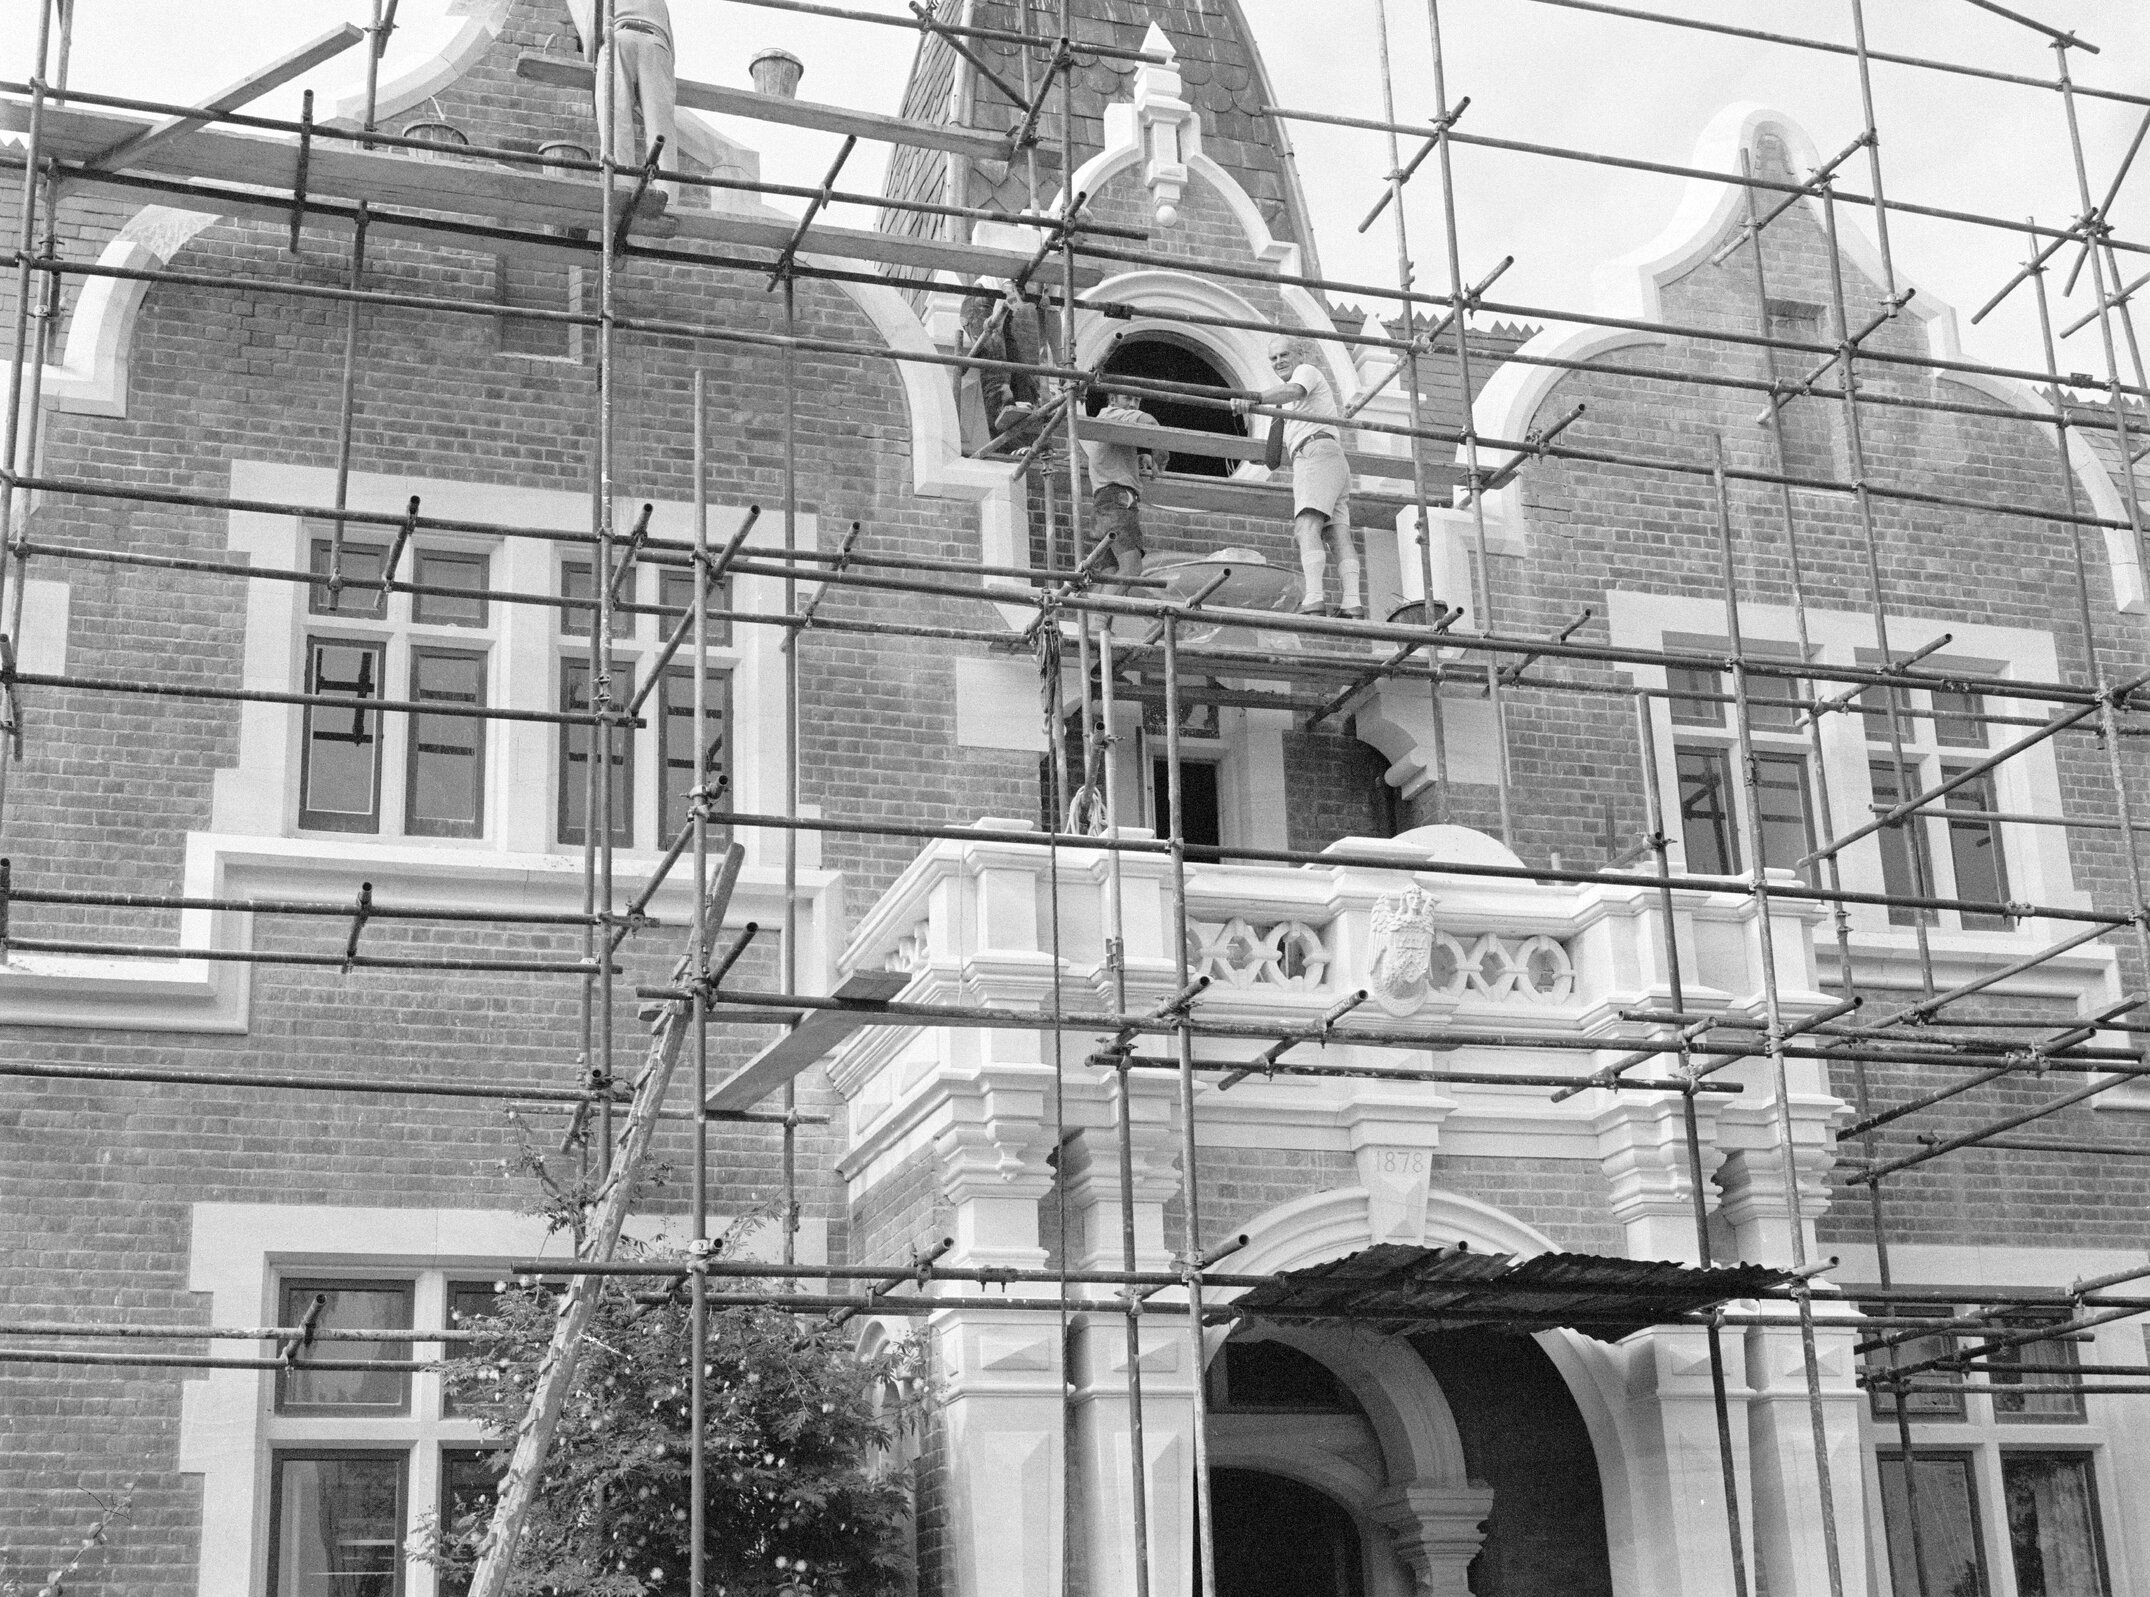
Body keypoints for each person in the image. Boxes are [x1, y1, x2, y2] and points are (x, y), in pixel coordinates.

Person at [1233, 335, 1360, 617]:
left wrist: (1254, 399)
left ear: (1299, 355)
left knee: (1306, 527)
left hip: (1314, 453)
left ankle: (1314, 598)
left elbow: (1293, 391)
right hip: (1329, 459)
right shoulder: (1284, 406)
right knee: (1337, 533)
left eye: (1283, 355)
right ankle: (1352, 603)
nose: (1278, 362)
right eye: (1273, 358)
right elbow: (1273, 456)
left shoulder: (1306, 374)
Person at [568, 0, 680, 216]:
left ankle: (621, 189)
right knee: (661, 126)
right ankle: (666, 199)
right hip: (657, 45)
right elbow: (671, 50)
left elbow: (592, 38)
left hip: (619, 38)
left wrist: (593, 57)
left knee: (615, 119)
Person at [1080, 388, 1160, 585]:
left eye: (1137, 400)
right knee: (1131, 568)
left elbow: (1113, 455)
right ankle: (1103, 616)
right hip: (1118, 500)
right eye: (1128, 398)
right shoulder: (1111, 414)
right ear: (1113, 399)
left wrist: (1140, 456)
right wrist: (1161, 456)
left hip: (1102, 506)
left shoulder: (1111, 427)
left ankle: (1097, 616)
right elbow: (1150, 422)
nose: (1133, 404)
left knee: (1111, 573)